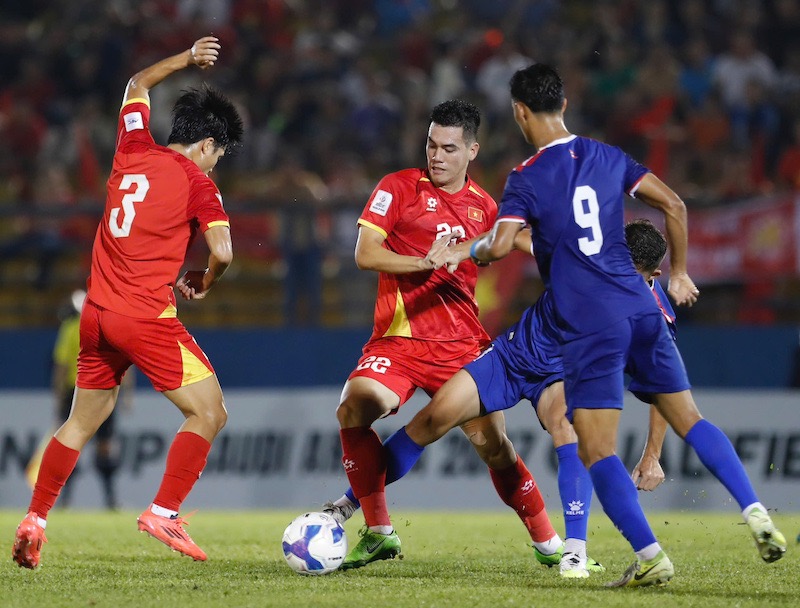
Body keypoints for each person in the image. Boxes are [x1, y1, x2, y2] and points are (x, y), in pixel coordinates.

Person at [461, 63, 786, 587]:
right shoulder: (608, 156)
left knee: (595, 449)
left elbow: (499, 247)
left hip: (592, 320)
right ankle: (754, 510)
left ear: (520, 112)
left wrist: (467, 248)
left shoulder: (526, 176)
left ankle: (651, 555)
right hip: (641, 303)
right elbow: (674, 205)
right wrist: (677, 273)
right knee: (691, 419)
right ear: (564, 105)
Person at [12, 36, 244, 569]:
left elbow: (136, 84)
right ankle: (164, 510)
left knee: (79, 422)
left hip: (96, 315)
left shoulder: (133, 147)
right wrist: (205, 278)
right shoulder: (198, 184)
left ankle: (36, 519)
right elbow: (225, 252)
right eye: (220, 157)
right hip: (144, 316)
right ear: (208, 145)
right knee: (210, 413)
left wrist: (186, 59)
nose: (217, 167)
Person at [329, 219, 673, 578]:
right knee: (431, 421)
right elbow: (518, 237)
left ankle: (574, 551)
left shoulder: (653, 317)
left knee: (569, 427)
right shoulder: (578, 254)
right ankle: (348, 504)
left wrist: (652, 456)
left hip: (562, 375)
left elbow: (662, 386)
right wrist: (463, 250)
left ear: (653, 274)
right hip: (510, 357)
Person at [332, 99, 564, 571]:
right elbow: (365, 254)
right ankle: (379, 532)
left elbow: (524, 243)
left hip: (462, 347)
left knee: (494, 448)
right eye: (432, 145)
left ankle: (550, 544)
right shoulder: (397, 187)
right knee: (355, 404)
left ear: (472, 151)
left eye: (449, 148)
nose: (437, 156)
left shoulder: (485, 207)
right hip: (398, 341)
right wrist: (425, 261)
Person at [51, 289, 133, 510]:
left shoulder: (69, 328)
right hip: (103, 391)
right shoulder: (109, 324)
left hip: (76, 392)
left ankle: (63, 500)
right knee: (104, 447)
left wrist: (58, 399)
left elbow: (61, 366)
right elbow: (126, 359)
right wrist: (127, 395)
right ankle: (111, 499)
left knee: (72, 443)